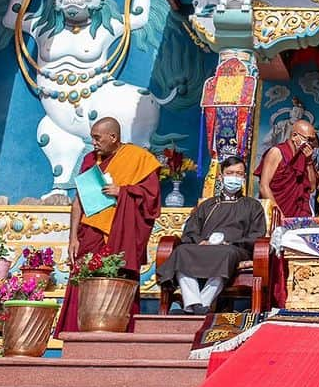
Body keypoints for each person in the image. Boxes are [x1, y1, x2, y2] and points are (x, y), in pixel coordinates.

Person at [56, 117, 161, 333]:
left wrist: (122, 192)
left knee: (118, 279)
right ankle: (77, 331)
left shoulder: (139, 159)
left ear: (113, 137)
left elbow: (151, 200)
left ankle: (117, 330)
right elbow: (78, 201)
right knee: (83, 279)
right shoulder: (89, 161)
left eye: (97, 138)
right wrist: (73, 238)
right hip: (91, 232)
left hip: (120, 233)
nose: (93, 143)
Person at [157, 154, 266, 314]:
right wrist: (201, 241)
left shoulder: (252, 206)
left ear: (244, 178)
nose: (234, 177)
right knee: (181, 252)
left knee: (225, 254)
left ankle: (203, 303)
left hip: (234, 249)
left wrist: (231, 243)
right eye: (230, 173)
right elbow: (191, 231)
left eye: (239, 174)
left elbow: (257, 234)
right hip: (204, 247)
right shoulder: (207, 205)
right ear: (221, 177)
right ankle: (194, 303)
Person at [254, 119, 318, 218]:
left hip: (297, 214)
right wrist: (277, 212)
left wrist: (309, 162)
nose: (310, 144)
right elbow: (264, 186)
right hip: (275, 211)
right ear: (294, 136)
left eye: (312, 141)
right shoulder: (277, 152)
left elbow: (312, 188)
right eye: (307, 139)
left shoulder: (304, 157)